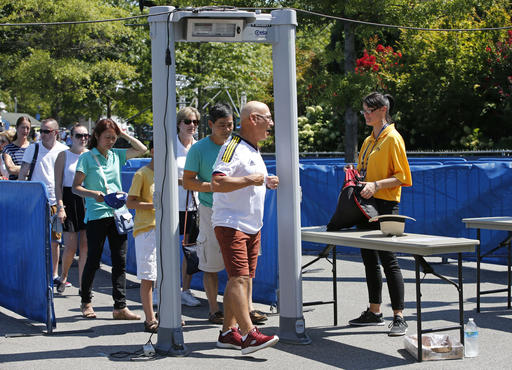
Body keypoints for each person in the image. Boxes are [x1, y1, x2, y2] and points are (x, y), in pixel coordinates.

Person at [211, 101, 279, 355]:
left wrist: (266, 182)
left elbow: (249, 181)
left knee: (240, 279)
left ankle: (228, 332)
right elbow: (217, 182)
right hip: (232, 223)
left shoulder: (253, 149)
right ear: (253, 119)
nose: (271, 123)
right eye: (268, 118)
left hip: (250, 225)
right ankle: (249, 334)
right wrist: (252, 180)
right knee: (240, 278)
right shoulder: (233, 147)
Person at [347, 92, 412, 336]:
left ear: (382, 110)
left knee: (389, 261)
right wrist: (356, 177)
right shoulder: (367, 141)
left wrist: (376, 185)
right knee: (369, 261)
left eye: (369, 111)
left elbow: (403, 176)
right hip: (366, 204)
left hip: (385, 205)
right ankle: (375, 311)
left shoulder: (393, 138)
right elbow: (365, 171)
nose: (365, 114)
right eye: (363, 110)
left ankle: (399, 316)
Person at [72, 118, 147, 319]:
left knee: (120, 261)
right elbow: (75, 187)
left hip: (118, 214)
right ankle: (86, 301)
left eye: (114, 138)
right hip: (97, 213)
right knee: (93, 260)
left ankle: (120, 307)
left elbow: (141, 149)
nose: (111, 142)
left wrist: (123, 134)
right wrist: (93, 194)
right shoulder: (86, 158)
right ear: (96, 136)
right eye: (107, 137)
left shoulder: (116, 155)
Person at [183, 103, 234, 324]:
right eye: (222, 125)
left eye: (231, 124)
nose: (227, 129)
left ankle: (246, 309)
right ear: (211, 124)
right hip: (209, 211)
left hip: (238, 212)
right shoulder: (198, 149)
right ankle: (214, 309)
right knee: (210, 264)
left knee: (242, 266)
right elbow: (187, 181)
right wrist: (212, 187)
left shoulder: (239, 146)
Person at [18, 118, 69, 283]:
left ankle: (54, 275)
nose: (43, 134)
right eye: (41, 131)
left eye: (47, 131)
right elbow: (23, 173)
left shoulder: (64, 150)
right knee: (34, 239)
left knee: (55, 240)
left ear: (55, 133)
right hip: (36, 203)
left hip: (56, 203)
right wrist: (22, 196)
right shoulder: (33, 148)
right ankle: (33, 272)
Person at [54, 123, 89, 294]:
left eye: (85, 135)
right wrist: (60, 206)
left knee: (85, 246)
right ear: (71, 137)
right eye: (79, 135)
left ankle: (83, 287)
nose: (83, 139)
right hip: (69, 200)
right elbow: (58, 185)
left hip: (87, 200)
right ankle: (64, 275)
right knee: (70, 246)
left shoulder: (91, 155)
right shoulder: (63, 156)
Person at [126, 141, 158, 332]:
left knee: (165, 277)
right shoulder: (142, 174)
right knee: (148, 277)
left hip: (164, 231)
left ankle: (168, 315)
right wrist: (154, 205)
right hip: (146, 230)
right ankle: (150, 319)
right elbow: (130, 202)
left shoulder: (167, 173)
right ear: (153, 151)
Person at [176, 107, 201, 307]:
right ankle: (161, 288)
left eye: (195, 122)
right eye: (187, 121)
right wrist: (185, 181)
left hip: (193, 206)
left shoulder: (199, 147)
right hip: (171, 205)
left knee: (190, 250)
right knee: (164, 248)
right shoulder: (169, 146)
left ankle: (185, 290)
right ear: (179, 123)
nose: (191, 125)